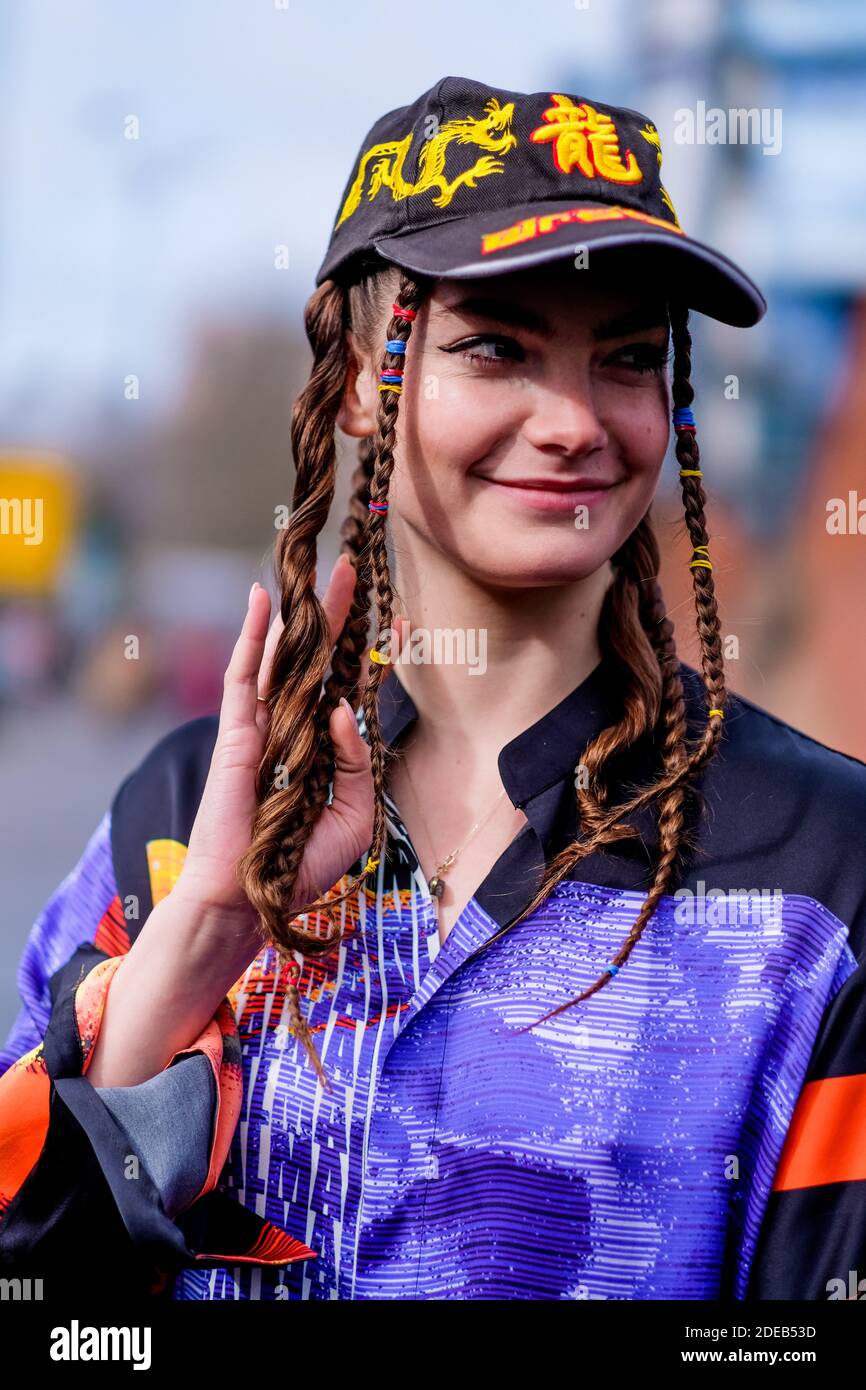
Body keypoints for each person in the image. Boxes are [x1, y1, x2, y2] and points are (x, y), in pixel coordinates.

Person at [1, 75, 865, 1302]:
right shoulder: (183, 812)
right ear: (357, 377)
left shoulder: (825, 870)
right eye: (495, 348)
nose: (571, 421)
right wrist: (190, 955)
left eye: (624, 358)